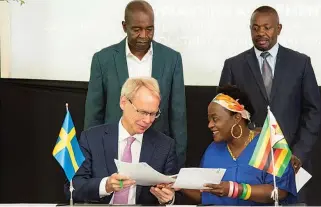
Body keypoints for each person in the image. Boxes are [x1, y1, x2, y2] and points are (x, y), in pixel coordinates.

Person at [219, 5, 321, 202]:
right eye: (255, 28)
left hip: (292, 160)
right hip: (249, 162)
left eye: (267, 27)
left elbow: (313, 112)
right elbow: (224, 114)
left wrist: (299, 153)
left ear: (279, 29)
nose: (261, 33)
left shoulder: (300, 63)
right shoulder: (233, 65)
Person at [84, 0, 187, 168]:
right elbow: (94, 114)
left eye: (149, 29)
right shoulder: (103, 60)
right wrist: (92, 156)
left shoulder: (171, 59)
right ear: (125, 27)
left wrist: (178, 162)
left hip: (158, 153)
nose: (144, 36)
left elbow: (178, 116)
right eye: (137, 30)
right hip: (112, 152)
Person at [179, 85, 297, 205]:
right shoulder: (212, 151)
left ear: (236, 118)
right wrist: (178, 185)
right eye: (209, 119)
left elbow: (280, 192)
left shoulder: (268, 144)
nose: (210, 125)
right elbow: (205, 194)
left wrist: (235, 190)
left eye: (215, 119)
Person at [69, 77, 177, 205]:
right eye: (142, 112)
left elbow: (175, 192)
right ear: (123, 102)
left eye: (153, 114)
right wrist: (106, 185)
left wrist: (168, 199)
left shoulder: (165, 145)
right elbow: (73, 188)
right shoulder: (92, 138)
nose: (148, 120)